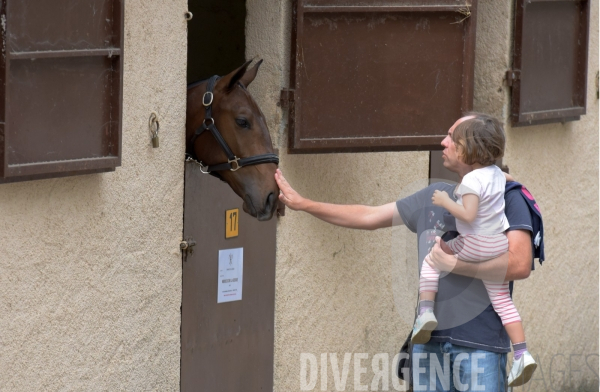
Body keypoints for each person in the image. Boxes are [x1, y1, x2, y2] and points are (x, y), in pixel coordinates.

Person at [275, 113, 541, 391]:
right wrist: (304, 204)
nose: (443, 142)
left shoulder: (510, 197)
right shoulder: (433, 195)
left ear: (472, 147)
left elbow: (520, 264)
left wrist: (454, 264)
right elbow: (368, 216)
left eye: (452, 137)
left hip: (481, 348)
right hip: (428, 346)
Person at [412, 115, 537, 387]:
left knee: (434, 258)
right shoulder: (498, 175)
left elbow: (467, 215)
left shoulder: (471, 181)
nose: (450, 145)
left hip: (474, 243)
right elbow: (510, 177)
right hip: (496, 246)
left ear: (470, 150)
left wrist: (446, 200)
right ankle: (522, 353)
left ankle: (425, 311)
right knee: (503, 302)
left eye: (457, 142)